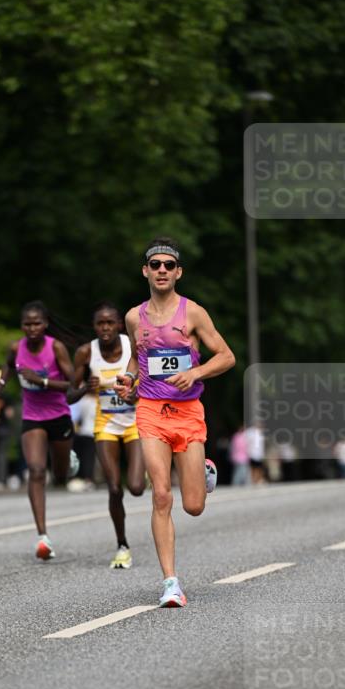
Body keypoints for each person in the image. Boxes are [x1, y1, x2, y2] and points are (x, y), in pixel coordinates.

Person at [116, 238, 235, 606]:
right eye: (156, 265)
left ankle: (203, 467)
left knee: (194, 505)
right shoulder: (134, 317)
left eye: (169, 265)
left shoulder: (193, 313)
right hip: (151, 410)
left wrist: (195, 372)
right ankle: (171, 582)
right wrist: (128, 381)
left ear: (178, 272)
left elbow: (227, 357)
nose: (162, 270)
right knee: (162, 494)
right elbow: (140, 360)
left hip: (188, 413)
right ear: (146, 271)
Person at [0, 301, 77, 560]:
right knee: (36, 471)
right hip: (32, 416)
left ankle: (68, 459)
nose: (32, 328)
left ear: (45, 324)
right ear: (22, 326)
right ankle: (43, 537)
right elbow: (8, 367)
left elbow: (72, 384)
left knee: (60, 477)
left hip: (59, 415)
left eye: (37, 323)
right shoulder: (17, 347)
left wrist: (42, 381)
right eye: (27, 324)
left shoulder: (55, 347)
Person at [72, 302, 145, 568]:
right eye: (100, 323)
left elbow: (150, 380)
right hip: (105, 425)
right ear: (94, 327)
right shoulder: (85, 353)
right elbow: (69, 395)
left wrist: (135, 392)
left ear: (119, 325)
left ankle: (143, 473)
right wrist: (83, 388)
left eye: (110, 323)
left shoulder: (132, 346)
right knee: (114, 487)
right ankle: (122, 545)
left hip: (135, 422)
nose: (105, 328)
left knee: (136, 488)